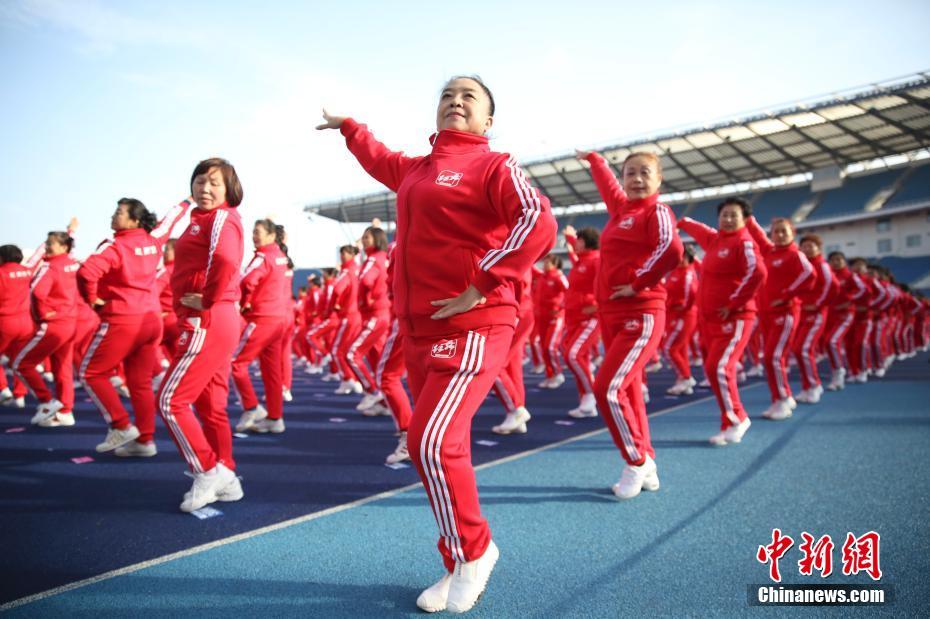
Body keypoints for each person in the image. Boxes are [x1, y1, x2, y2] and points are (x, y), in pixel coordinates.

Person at [317, 75, 556, 613]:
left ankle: (476, 551)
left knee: (428, 440)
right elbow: (380, 158)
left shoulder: (494, 166)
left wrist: (486, 279)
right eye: (448, 94)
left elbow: (538, 221)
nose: (456, 100)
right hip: (421, 327)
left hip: (476, 323)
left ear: (487, 121)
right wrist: (350, 128)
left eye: (469, 96)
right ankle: (456, 560)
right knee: (440, 454)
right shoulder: (418, 169)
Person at [577, 148, 683, 499]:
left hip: (642, 311)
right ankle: (647, 459)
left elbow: (671, 249)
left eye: (644, 173)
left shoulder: (658, 211)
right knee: (631, 391)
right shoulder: (621, 210)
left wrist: (638, 282)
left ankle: (636, 461)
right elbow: (609, 190)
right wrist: (596, 161)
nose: (636, 179)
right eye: (630, 173)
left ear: (659, 179)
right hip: (612, 314)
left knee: (607, 388)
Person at [157, 158, 245, 513]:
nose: (205, 189)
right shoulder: (203, 219)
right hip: (215, 317)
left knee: (170, 401)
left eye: (214, 183)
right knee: (211, 407)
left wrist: (207, 297)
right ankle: (227, 474)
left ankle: (206, 469)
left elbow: (225, 260)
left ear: (229, 190)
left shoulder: (222, 218)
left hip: (206, 318)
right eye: (200, 181)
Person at [77, 197, 191, 455]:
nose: (113, 217)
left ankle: (120, 424)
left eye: (119, 212)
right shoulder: (153, 240)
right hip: (150, 321)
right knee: (139, 383)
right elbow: (171, 219)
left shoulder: (115, 246)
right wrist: (187, 201)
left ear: (134, 220)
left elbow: (86, 273)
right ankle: (145, 441)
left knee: (90, 373)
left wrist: (92, 299)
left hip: (122, 318)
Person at [678, 198, 766, 445]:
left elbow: (758, 272)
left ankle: (737, 418)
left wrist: (734, 304)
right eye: (724, 215)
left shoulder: (744, 242)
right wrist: (681, 222)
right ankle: (730, 420)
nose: (727, 219)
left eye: (733, 215)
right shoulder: (716, 240)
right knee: (712, 369)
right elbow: (700, 230)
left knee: (719, 368)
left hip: (736, 317)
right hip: (713, 318)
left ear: (744, 219)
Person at [745, 216, 814, 420]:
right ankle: (781, 398)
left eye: (784, 231)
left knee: (772, 357)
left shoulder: (795, 254)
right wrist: (747, 217)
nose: (780, 235)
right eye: (776, 231)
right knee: (773, 358)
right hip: (767, 313)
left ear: (792, 233)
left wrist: (785, 296)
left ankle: (783, 399)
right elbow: (758, 234)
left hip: (785, 313)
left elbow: (809, 275)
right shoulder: (769, 251)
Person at [13, 231, 80, 426]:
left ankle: (46, 401)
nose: (47, 246)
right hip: (70, 322)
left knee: (21, 364)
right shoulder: (73, 264)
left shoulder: (51, 267)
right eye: (47, 242)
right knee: (63, 369)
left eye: (51, 243)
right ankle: (66, 411)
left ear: (64, 247)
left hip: (53, 324)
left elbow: (37, 290)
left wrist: (44, 314)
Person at [232, 219, 292, 434]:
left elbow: (246, 280)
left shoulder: (263, 256)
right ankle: (275, 418)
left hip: (262, 318)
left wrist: (244, 301)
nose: (253, 236)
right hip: (278, 319)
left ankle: (251, 407)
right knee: (272, 371)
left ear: (271, 236)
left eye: (257, 232)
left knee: (236, 363)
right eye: (253, 232)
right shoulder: (281, 257)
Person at [350, 226, 392, 412]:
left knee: (351, 354)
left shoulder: (373, 259)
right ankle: (384, 402)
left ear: (377, 239)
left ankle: (372, 391)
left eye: (367, 237)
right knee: (378, 361)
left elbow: (367, 280)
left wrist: (367, 298)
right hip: (382, 313)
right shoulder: (384, 258)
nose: (364, 240)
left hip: (374, 314)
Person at [560, 225, 601, 417]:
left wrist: (598, 306)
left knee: (573, 355)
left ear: (587, 242)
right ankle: (587, 402)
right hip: (574, 318)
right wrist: (569, 236)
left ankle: (592, 394)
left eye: (579, 240)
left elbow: (606, 283)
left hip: (590, 318)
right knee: (578, 357)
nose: (575, 243)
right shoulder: (581, 261)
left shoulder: (596, 260)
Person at [792, 234, 835, 404]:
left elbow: (832, 287)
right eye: (804, 246)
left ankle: (814, 385)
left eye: (811, 246)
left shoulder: (822, 265)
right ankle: (807, 386)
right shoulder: (802, 265)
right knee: (798, 350)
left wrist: (817, 304)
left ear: (819, 248)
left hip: (815, 314)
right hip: (801, 313)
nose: (808, 249)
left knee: (803, 349)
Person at [823, 251, 865, 391]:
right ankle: (853, 371)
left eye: (839, 259)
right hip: (831, 315)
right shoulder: (828, 275)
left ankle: (839, 374)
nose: (836, 262)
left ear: (844, 261)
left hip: (846, 314)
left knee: (832, 341)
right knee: (846, 345)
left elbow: (863, 290)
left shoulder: (850, 276)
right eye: (833, 260)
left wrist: (849, 301)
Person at [0, 245, 34, 409]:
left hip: (5, 321)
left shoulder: (1, 273)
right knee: (19, 360)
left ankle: (3, 388)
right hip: (26, 321)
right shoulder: (28, 271)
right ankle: (20, 395)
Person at [664, 244, 699, 396]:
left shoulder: (687, 274)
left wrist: (682, 308)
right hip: (674, 315)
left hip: (683, 316)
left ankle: (685, 377)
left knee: (669, 349)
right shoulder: (676, 271)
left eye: (683, 256)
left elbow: (691, 293)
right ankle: (683, 380)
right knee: (680, 349)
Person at [331, 245, 363, 395]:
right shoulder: (360, 268)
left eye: (345, 253)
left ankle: (350, 379)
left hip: (349, 315)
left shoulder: (346, 271)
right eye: (341, 253)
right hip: (360, 314)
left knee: (338, 351)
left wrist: (336, 304)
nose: (343, 256)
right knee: (352, 351)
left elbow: (336, 288)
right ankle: (352, 381)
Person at [536, 254, 568, 388]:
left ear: (555, 264)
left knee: (550, 347)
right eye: (544, 262)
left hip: (555, 317)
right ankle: (550, 376)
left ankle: (558, 373)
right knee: (543, 348)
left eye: (548, 262)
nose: (545, 264)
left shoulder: (559, 277)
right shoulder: (542, 277)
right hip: (541, 318)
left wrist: (560, 307)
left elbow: (570, 292)